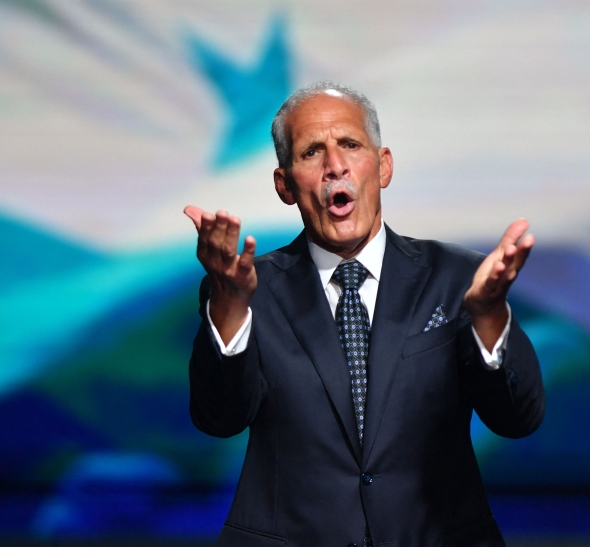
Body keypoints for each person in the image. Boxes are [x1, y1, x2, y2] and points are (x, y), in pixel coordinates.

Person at [185, 82, 544, 546]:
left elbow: (519, 419)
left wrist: (489, 318)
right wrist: (231, 305)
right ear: (284, 185)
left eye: (350, 145)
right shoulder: (248, 290)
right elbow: (219, 419)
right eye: (312, 152)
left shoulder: (459, 278)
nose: (335, 166)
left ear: (384, 165)